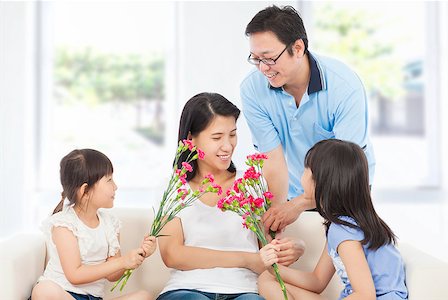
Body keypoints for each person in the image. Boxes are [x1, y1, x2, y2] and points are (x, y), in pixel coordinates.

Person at [240, 5, 376, 233]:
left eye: (270, 58)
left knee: (340, 253)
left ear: (298, 48)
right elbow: (272, 159)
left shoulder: (344, 87)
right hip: (295, 187)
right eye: (256, 59)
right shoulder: (252, 89)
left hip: (346, 185)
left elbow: (345, 167)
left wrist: (301, 203)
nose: (263, 68)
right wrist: (277, 216)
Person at [157, 92, 304, 300]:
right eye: (217, 137)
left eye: (232, 134)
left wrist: (291, 249)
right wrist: (246, 259)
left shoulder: (252, 184)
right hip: (187, 288)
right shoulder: (174, 188)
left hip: (245, 290)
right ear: (191, 138)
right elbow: (173, 254)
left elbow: (266, 249)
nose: (228, 146)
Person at [259, 139, 408, 300]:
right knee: (267, 279)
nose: (301, 176)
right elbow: (317, 281)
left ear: (319, 181)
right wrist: (273, 269)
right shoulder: (343, 226)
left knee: (267, 283)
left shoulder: (344, 232)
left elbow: (366, 296)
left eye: (306, 169)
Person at [31, 149, 156, 300]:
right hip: (63, 294)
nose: (115, 186)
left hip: (94, 298)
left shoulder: (111, 224)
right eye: (109, 180)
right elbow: (75, 275)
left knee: (144, 297)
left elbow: (112, 275)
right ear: (85, 191)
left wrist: (135, 257)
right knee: (44, 291)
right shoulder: (64, 224)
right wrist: (122, 261)